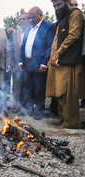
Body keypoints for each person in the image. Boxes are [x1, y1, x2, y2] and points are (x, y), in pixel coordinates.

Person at [46, 0, 84, 128]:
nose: (56, 8)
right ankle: (63, 118)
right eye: (55, 6)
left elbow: (74, 35)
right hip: (58, 62)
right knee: (59, 94)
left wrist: (58, 53)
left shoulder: (75, 14)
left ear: (67, 2)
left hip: (69, 62)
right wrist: (52, 57)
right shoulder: (61, 19)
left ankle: (70, 123)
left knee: (68, 94)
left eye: (59, 5)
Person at [19, 7, 55, 120]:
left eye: (32, 17)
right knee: (28, 87)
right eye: (29, 18)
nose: (30, 20)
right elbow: (23, 46)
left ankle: (39, 111)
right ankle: (29, 110)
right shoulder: (29, 28)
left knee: (39, 88)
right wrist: (20, 60)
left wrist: (44, 63)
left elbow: (50, 46)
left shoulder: (48, 27)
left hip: (40, 64)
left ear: (40, 15)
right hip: (27, 63)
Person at [9, 13, 29, 113]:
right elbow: (10, 50)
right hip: (17, 65)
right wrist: (10, 63)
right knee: (16, 87)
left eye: (23, 19)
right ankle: (16, 105)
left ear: (28, 20)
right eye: (19, 20)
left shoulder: (33, 31)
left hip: (30, 65)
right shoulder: (14, 33)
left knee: (28, 86)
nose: (21, 21)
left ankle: (27, 106)